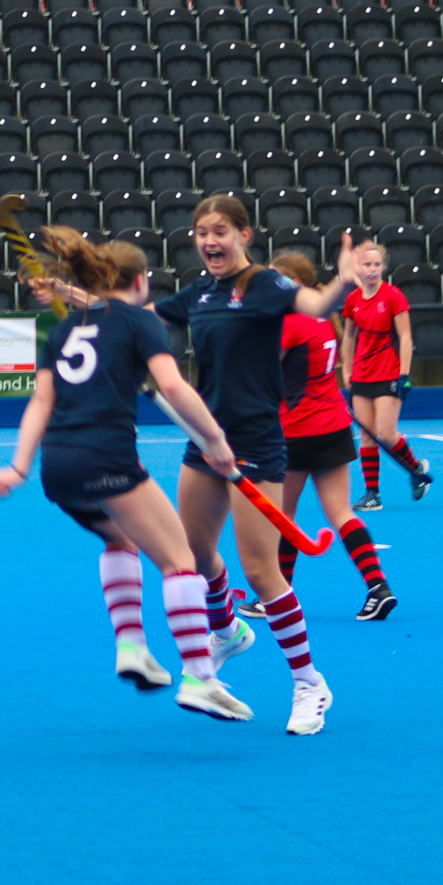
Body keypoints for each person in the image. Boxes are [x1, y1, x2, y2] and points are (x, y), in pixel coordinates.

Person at [0, 227, 252, 722]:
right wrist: (215, 441)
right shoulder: (140, 321)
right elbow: (173, 386)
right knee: (179, 561)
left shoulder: (63, 330)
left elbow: (41, 400)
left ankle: (132, 646)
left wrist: (18, 468)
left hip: (58, 467)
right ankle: (201, 677)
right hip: (108, 459)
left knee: (119, 540)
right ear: (141, 281)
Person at [153, 194, 362, 737]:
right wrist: (78, 300)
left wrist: (341, 281)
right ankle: (228, 632)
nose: (209, 241)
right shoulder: (200, 291)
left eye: (220, 231)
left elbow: (315, 304)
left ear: (244, 235)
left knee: (261, 571)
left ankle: (310, 684)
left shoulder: (267, 284)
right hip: (205, 439)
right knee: (194, 555)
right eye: (202, 232)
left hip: (257, 443)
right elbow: (137, 320)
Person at [236, 252, 397, 623]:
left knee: (283, 516)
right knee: (341, 513)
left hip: (295, 432)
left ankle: (275, 598)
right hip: (334, 427)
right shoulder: (324, 319)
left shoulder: (289, 323)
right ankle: (378, 587)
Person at [339, 242, 431, 511]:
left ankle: (415, 469)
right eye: (367, 264)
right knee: (367, 436)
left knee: (386, 434)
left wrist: (404, 374)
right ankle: (372, 494)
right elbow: (349, 337)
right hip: (361, 375)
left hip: (388, 373)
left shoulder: (393, 296)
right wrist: (347, 369)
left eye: (377, 265)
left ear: (383, 267)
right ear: (358, 268)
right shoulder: (353, 300)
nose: (372, 269)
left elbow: (405, 337)